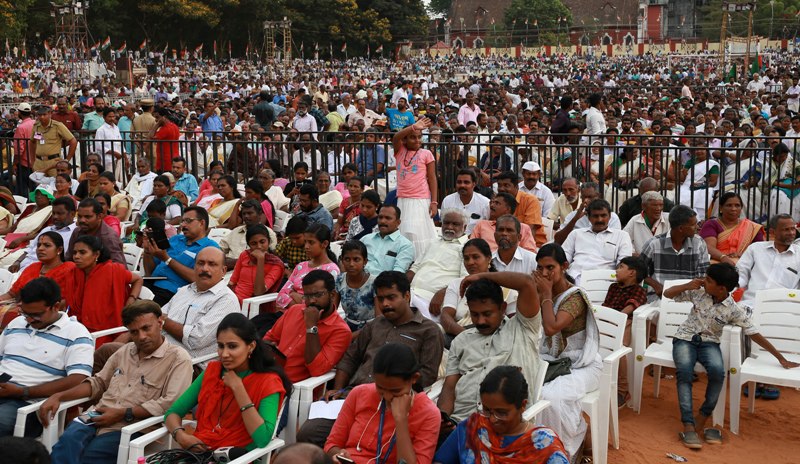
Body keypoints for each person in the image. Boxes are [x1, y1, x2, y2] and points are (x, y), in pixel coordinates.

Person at [296, 272, 443, 447]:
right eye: (380, 299)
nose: (385, 304)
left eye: (391, 297)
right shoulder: (375, 325)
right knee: (308, 433)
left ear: (407, 296)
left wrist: (390, 392)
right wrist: (338, 388)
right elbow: (350, 358)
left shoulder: (428, 331)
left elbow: (427, 375)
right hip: (353, 396)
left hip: (393, 401)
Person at [664, 264, 799, 449]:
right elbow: (668, 294)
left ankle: (702, 417)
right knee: (685, 374)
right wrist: (687, 285)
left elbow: (753, 333)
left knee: (718, 373)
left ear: (722, 288)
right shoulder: (698, 292)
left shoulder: (733, 309)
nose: (704, 281)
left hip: (709, 343)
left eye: (709, 280)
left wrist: (780, 358)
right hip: (685, 339)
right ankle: (688, 424)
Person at [43, 300, 193, 464]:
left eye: (146, 328)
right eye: (134, 332)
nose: (141, 337)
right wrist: (59, 396)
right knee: (64, 446)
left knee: (90, 457)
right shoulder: (125, 351)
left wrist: (122, 414)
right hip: (97, 416)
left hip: (135, 427)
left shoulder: (178, 358)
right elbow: (98, 382)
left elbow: (170, 403)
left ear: (159, 323)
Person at [165, 313, 292, 453]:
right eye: (220, 346)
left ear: (250, 346)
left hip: (239, 458)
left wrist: (238, 389)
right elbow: (173, 412)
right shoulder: (212, 372)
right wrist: (181, 435)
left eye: (232, 346)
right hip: (199, 452)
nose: (224, 354)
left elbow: (262, 438)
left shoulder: (268, 381)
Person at [438, 270, 542, 432]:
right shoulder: (461, 340)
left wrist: (481, 275)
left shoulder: (522, 328)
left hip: (504, 426)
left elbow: (526, 282)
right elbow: (449, 387)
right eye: (475, 314)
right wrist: (443, 418)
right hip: (460, 425)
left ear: (502, 308)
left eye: (487, 314)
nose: (480, 321)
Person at [0, 278, 93, 438]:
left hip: (32, 404)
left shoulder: (76, 333)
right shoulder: (17, 323)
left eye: (36, 315)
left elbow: (78, 378)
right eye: (25, 313)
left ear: (56, 306)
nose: (29, 319)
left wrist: (24, 391)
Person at [533, 243, 602, 460]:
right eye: (540, 268)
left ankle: (566, 450)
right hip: (550, 361)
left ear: (564, 266)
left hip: (582, 365)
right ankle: (539, 450)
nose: (544, 273)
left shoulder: (575, 297)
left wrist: (544, 294)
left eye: (550, 268)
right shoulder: (540, 289)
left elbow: (551, 327)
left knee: (551, 398)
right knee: (525, 390)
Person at [323, 343, 441, 464]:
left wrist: (401, 420)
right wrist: (338, 454)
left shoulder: (428, 413)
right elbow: (332, 444)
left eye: (396, 391)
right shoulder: (359, 393)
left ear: (414, 378)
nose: (387, 396)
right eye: (380, 388)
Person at [434, 366, 569, 464]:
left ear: (522, 405)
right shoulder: (472, 428)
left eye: (501, 413)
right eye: (487, 410)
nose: (492, 419)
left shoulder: (545, 445)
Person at [264, 269, 351, 382]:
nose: (312, 301)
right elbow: (269, 339)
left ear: (332, 295)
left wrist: (311, 327)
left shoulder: (341, 331)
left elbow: (317, 369)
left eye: (318, 295)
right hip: (269, 374)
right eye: (307, 296)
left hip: (296, 387)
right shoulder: (295, 310)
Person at [158, 247, 241, 360]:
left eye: (212, 264)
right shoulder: (185, 290)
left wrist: (163, 320)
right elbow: (157, 319)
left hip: (189, 363)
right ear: (194, 267)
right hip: (159, 349)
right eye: (200, 263)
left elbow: (195, 340)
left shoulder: (226, 300)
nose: (204, 269)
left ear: (224, 271)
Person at [71, 235, 143, 345]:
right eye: (74, 252)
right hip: (78, 326)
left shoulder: (112, 270)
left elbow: (138, 279)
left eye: (82, 252)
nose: (76, 256)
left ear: (96, 254)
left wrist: (131, 300)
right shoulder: (76, 272)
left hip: (106, 332)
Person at [142, 206, 220, 305]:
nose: (183, 224)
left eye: (188, 221)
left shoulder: (210, 248)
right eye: (182, 221)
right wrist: (147, 251)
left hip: (172, 293)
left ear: (202, 223)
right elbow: (150, 271)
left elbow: (198, 279)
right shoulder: (176, 239)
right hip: (150, 283)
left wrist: (167, 259)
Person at [601, 256, 648, 405]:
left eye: (621, 267)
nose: (617, 270)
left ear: (632, 273)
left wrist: (614, 318)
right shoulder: (613, 287)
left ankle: (622, 390)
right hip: (608, 320)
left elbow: (629, 308)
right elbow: (606, 305)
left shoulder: (639, 290)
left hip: (625, 322)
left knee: (619, 349)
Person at [640, 205, 710, 300]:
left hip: (689, 298)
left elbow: (703, 275)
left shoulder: (699, 243)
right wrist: (656, 285)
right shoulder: (654, 244)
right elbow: (638, 271)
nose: (697, 227)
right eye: (693, 224)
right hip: (658, 297)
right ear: (681, 228)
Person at [408, 209, 469, 317]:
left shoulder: (467, 248)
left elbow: (465, 280)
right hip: (411, 292)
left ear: (464, 227)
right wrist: (400, 285)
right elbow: (415, 267)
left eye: (455, 224)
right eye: (446, 223)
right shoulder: (433, 242)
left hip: (432, 298)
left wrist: (443, 293)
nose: (449, 227)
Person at [393, 116, 438, 257]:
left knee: (418, 233)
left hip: (420, 199)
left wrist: (434, 202)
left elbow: (432, 178)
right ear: (405, 139)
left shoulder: (426, 154)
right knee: (404, 231)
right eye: (413, 137)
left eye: (420, 137)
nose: (417, 140)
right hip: (403, 199)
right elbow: (396, 136)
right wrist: (413, 126)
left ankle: (420, 261)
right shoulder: (399, 150)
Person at [0, 232, 79, 310]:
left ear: (59, 249)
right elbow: (12, 294)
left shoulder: (69, 269)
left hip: (50, 315)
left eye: (47, 245)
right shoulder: (33, 267)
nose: (40, 248)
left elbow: (68, 300)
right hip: (21, 310)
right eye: (38, 245)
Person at [737, 213, 800, 310]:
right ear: (772, 232)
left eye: (793, 229)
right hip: (750, 305)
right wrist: (730, 287)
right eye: (786, 229)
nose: (791, 233)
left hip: (783, 309)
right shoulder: (756, 249)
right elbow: (741, 274)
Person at [562, 199, 633, 284]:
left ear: (610, 216)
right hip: (573, 280)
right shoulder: (576, 234)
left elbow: (623, 264)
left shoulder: (622, 236)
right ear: (588, 217)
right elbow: (563, 258)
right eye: (595, 216)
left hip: (604, 281)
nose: (600, 220)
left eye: (603, 216)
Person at [276, 224, 340, 310]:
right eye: (305, 242)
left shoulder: (332, 271)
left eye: (311, 242)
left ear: (324, 244)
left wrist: (293, 294)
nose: (306, 246)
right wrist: (296, 301)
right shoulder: (301, 266)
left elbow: (322, 304)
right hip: (288, 314)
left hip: (309, 318)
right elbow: (281, 294)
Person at [11, 196, 77, 273]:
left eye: (60, 213)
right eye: (54, 213)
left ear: (72, 214)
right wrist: (17, 262)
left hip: (43, 271)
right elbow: (29, 250)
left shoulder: (75, 233)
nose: (55, 217)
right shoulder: (47, 229)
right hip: (23, 266)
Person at [229, 224, 284, 310]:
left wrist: (260, 260)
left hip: (253, 305)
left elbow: (259, 292)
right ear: (249, 245)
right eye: (254, 243)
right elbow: (233, 281)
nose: (259, 246)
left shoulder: (276, 265)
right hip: (233, 299)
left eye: (262, 242)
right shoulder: (245, 255)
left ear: (269, 241)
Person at [700, 192, 764, 265]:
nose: (733, 209)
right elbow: (709, 248)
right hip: (718, 262)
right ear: (721, 208)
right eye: (729, 205)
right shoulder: (712, 224)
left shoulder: (752, 227)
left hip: (744, 262)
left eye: (737, 205)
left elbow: (759, 249)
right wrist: (723, 257)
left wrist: (742, 255)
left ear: (741, 208)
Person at [554, 182, 622, 245]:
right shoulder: (573, 216)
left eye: (590, 197)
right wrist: (575, 219)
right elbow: (558, 241)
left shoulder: (612, 217)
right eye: (584, 197)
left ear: (599, 196)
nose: (586, 200)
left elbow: (615, 241)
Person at [220, 199, 278, 269]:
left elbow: (270, 258)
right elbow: (220, 249)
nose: (246, 216)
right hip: (226, 270)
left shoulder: (268, 233)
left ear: (259, 214)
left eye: (250, 213)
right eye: (244, 214)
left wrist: (236, 262)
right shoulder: (236, 231)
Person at [66, 198, 126, 266]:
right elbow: (69, 258)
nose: (82, 220)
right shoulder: (77, 231)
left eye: (87, 217)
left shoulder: (108, 237)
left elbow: (118, 266)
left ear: (99, 216)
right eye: (79, 216)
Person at [470, 193, 537, 253]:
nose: (492, 206)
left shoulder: (523, 228)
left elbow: (530, 252)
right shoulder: (481, 225)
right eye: (492, 202)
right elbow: (472, 247)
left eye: (497, 203)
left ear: (508, 209)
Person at [360, 205, 415, 275]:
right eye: (380, 217)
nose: (382, 221)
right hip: (357, 281)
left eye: (388, 218)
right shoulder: (366, 239)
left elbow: (398, 273)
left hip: (382, 284)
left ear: (398, 222)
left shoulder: (405, 246)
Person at [335, 241, 376, 333]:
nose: (351, 264)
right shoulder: (340, 279)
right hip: (347, 326)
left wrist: (354, 336)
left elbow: (379, 319)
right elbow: (333, 309)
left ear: (365, 261)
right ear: (342, 260)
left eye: (356, 259)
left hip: (370, 329)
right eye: (347, 259)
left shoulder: (374, 283)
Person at [496, 171, 546, 247]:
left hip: (532, 245)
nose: (501, 189)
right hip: (504, 245)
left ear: (516, 187)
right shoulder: (496, 201)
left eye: (506, 185)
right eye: (499, 185)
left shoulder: (530, 201)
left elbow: (529, 231)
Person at [30, 105, 77, 178]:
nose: (42, 117)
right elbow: (32, 142)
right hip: (39, 162)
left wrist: (67, 159)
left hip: (54, 162)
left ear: (50, 114)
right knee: (39, 186)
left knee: (56, 185)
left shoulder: (57, 126)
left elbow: (73, 141)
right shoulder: (36, 126)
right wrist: (32, 160)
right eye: (40, 115)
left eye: (44, 115)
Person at [441, 169, 490, 235]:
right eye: (459, 182)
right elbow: (443, 223)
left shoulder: (485, 203)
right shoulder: (448, 200)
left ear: (474, 184)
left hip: (474, 241)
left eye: (466, 182)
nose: (462, 185)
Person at [623, 190, 671, 255]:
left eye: (661, 205)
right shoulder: (635, 220)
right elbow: (625, 240)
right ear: (643, 206)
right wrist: (633, 253)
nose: (658, 208)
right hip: (640, 261)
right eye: (654, 205)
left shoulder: (669, 219)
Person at [333, 176, 365, 240]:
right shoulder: (345, 202)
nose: (352, 189)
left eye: (356, 186)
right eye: (350, 186)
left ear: (362, 189)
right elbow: (339, 222)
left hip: (358, 234)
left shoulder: (364, 204)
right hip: (344, 233)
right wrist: (336, 233)